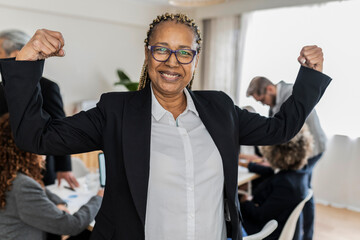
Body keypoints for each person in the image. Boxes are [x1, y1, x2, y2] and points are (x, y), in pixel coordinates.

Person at [0, 13, 331, 240]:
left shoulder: (219, 108)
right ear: (148, 55)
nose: (172, 61)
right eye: (162, 49)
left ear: (196, 60)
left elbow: (280, 130)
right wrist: (27, 62)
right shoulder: (116, 112)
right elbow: (35, 136)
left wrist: (309, 76)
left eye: (184, 52)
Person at [246, 74, 327, 240]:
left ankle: (304, 235)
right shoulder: (275, 103)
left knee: (302, 192)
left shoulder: (292, 95)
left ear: (269, 89)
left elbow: (299, 135)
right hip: (298, 151)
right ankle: (296, 232)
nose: (263, 104)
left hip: (310, 150)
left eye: (262, 100)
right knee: (299, 189)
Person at [0, 113, 103, 240]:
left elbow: (42, 191)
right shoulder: (22, 186)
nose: (46, 149)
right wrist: (99, 198)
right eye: (41, 141)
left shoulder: (10, 176)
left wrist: (59, 203)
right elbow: (72, 225)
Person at [0, 30, 79, 189]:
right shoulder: (1, 88)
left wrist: (64, 168)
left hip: (39, 169)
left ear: (15, 54)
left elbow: (59, 126)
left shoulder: (47, 87)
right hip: (7, 168)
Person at [240, 125, 314, 239]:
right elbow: (270, 171)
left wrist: (246, 202)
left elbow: (260, 216)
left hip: (266, 232)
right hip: (276, 223)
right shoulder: (299, 172)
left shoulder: (285, 184)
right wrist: (244, 163)